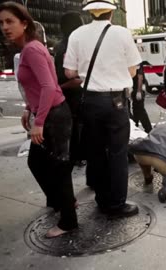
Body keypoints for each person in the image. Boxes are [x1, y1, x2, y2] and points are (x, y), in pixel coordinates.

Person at [0, 1, 77, 238]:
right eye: (1, 22)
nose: (4, 27)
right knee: (39, 162)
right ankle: (64, 203)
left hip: (54, 116)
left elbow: (48, 86)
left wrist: (39, 121)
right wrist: (27, 110)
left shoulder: (32, 49)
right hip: (48, 113)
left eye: (10, 21)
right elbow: (37, 86)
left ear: (24, 23)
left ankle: (68, 220)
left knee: (57, 166)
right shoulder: (30, 49)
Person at [63, 0, 142, 218]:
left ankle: (102, 198)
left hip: (90, 100)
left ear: (90, 14)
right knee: (117, 153)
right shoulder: (122, 33)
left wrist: (89, 71)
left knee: (96, 152)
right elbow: (133, 71)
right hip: (116, 101)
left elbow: (69, 73)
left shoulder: (77, 34)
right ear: (110, 13)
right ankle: (116, 204)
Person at [54, 11, 86, 167]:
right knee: (77, 126)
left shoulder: (62, 45)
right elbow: (73, 78)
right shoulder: (70, 46)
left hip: (67, 93)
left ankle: (75, 155)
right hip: (73, 93)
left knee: (74, 126)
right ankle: (77, 155)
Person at [130, 61, 152, 133]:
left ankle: (148, 128)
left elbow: (140, 77)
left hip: (137, 89)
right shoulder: (137, 62)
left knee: (140, 110)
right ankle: (135, 125)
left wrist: (138, 91)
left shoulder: (136, 63)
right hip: (136, 89)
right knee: (136, 109)